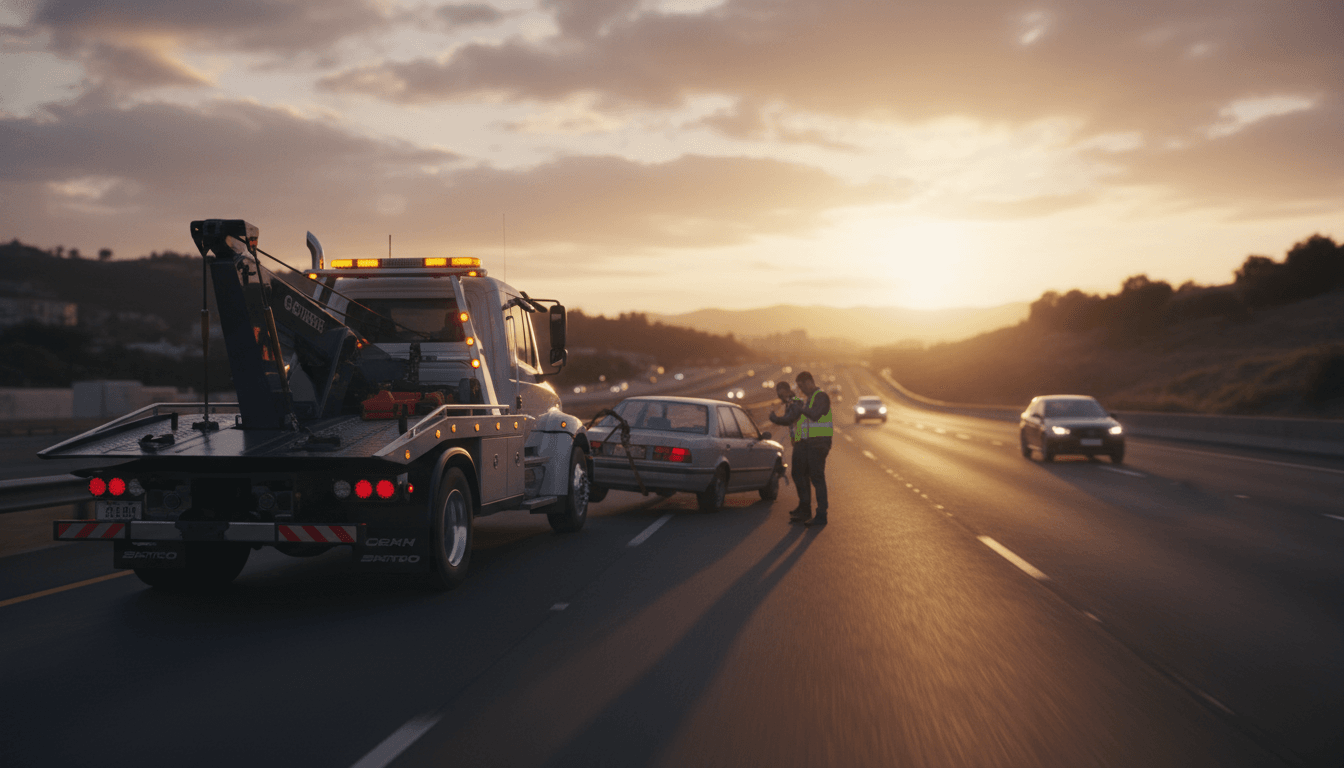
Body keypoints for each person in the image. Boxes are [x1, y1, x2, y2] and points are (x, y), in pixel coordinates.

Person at [769, 371, 833, 526]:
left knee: (817, 478)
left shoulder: (821, 396)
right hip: (806, 443)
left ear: (810, 381)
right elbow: (796, 415)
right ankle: (805, 510)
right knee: (799, 474)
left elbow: (816, 415)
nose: (801, 389)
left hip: (819, 443)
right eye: (798, 387)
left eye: (802, 385)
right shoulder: (807, 399)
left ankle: (821, 515)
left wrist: (800, 407)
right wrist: (781, 413)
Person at [768, 381, 807, 521]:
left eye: (780, 392)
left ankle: (805, 509)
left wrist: (774, 418)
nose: (779, 396)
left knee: (799, 475)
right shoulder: (791, 402)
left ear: (785, 390)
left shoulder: (795, 402)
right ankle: (803, 507)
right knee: (799, 476)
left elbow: (789, 419)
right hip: (799, 442)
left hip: (803, 442)